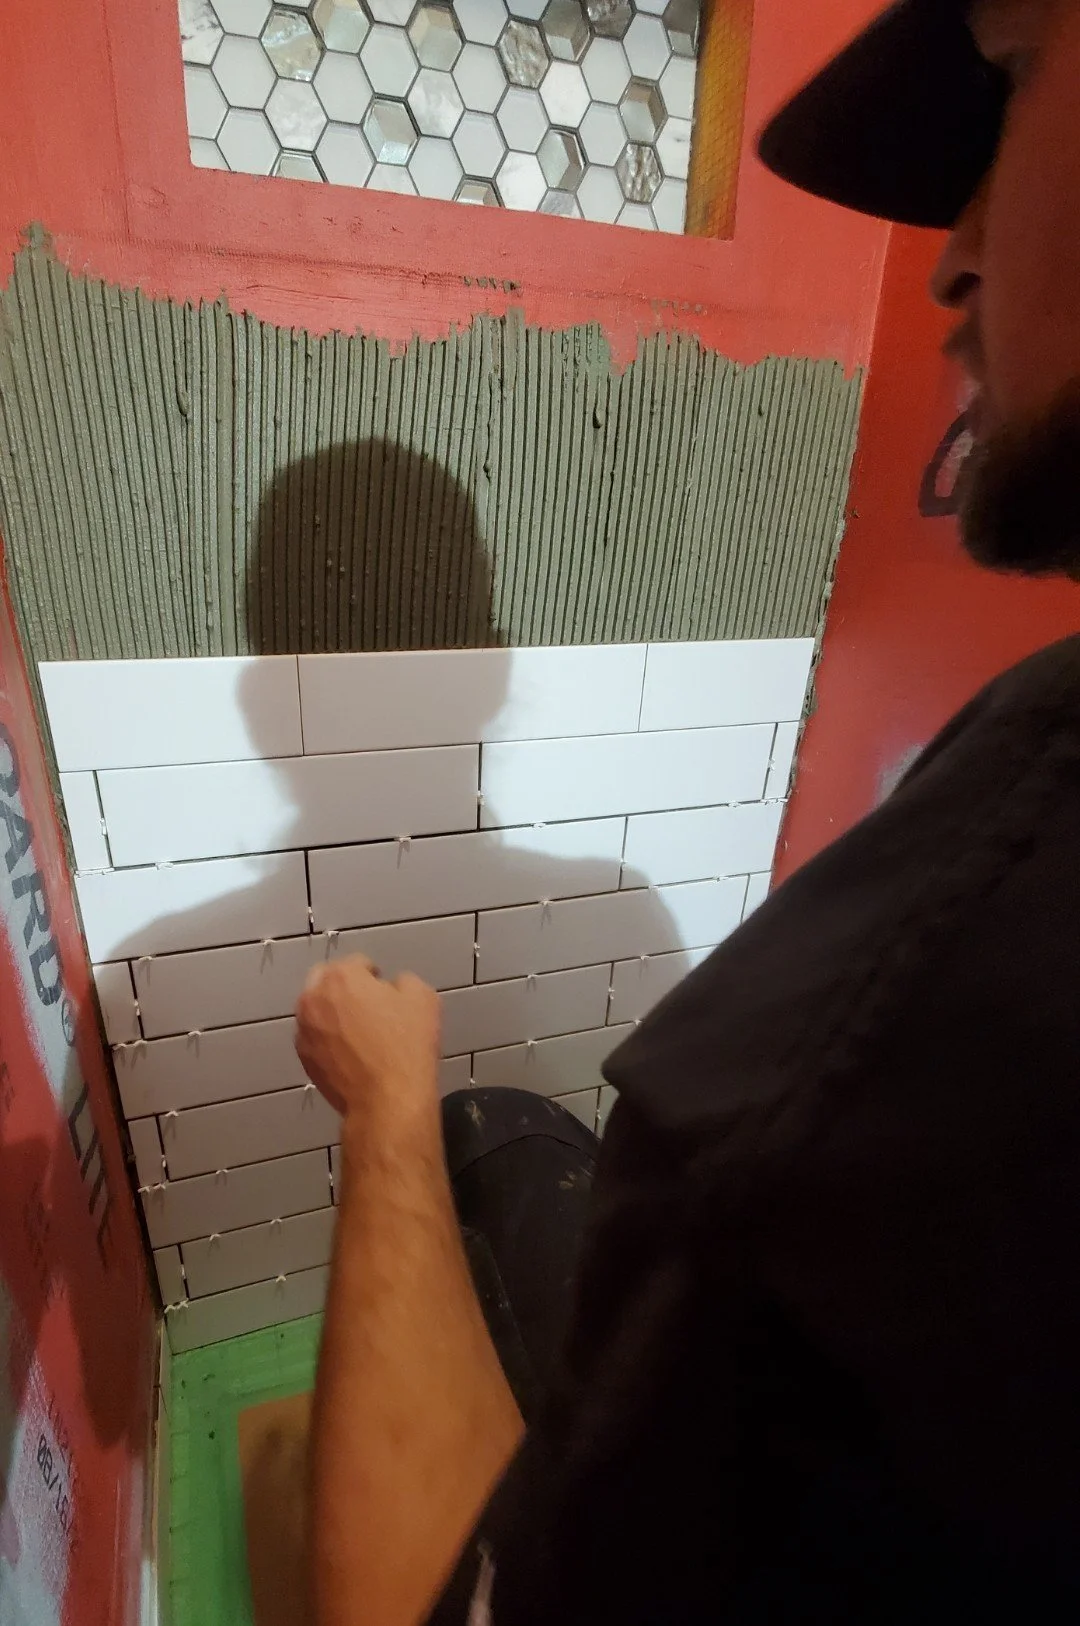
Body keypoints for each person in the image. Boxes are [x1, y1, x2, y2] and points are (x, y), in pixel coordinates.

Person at [295, 1, 1080, 1620]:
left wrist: (381, 1104)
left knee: (450, 1127)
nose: (953, 260)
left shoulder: (960, 968)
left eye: (1017, 74)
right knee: (510, 1134)